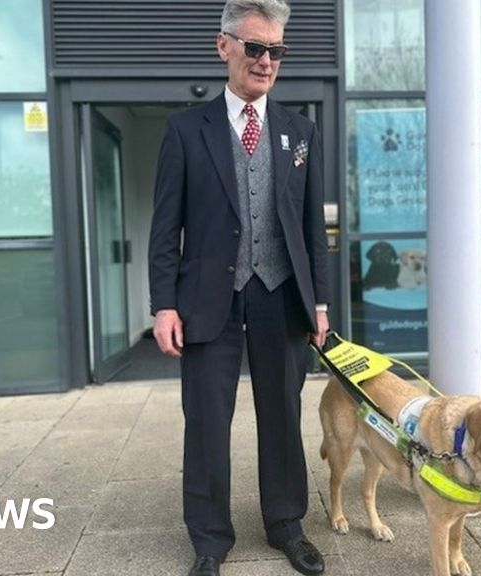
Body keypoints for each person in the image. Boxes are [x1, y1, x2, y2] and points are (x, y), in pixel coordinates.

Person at [147, 1, 330, 574]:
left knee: (282, 415)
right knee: (205, 420)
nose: (267, 61)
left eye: (276, 50)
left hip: (280, 295)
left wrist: (320, 303)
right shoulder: (184, 131)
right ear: (223, 45)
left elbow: (310, 230)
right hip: (207, 299)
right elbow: (164, 228)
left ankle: (285, 524)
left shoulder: (300, 131)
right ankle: (208, 540)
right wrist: (163, 305)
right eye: (255, 47)